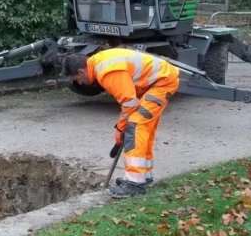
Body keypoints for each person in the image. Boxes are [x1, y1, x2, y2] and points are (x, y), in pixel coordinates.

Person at [63, 48, 179, 198]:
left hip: (162, 82)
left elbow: (129, 104)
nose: (79, 83)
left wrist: (120, 129)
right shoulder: (98, 62)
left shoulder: (107, 72)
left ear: (81, 72)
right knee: (144, 127)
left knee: (136, 126)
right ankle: (143, 176)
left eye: (76, 79)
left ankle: (134, 184)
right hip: (158, 80)